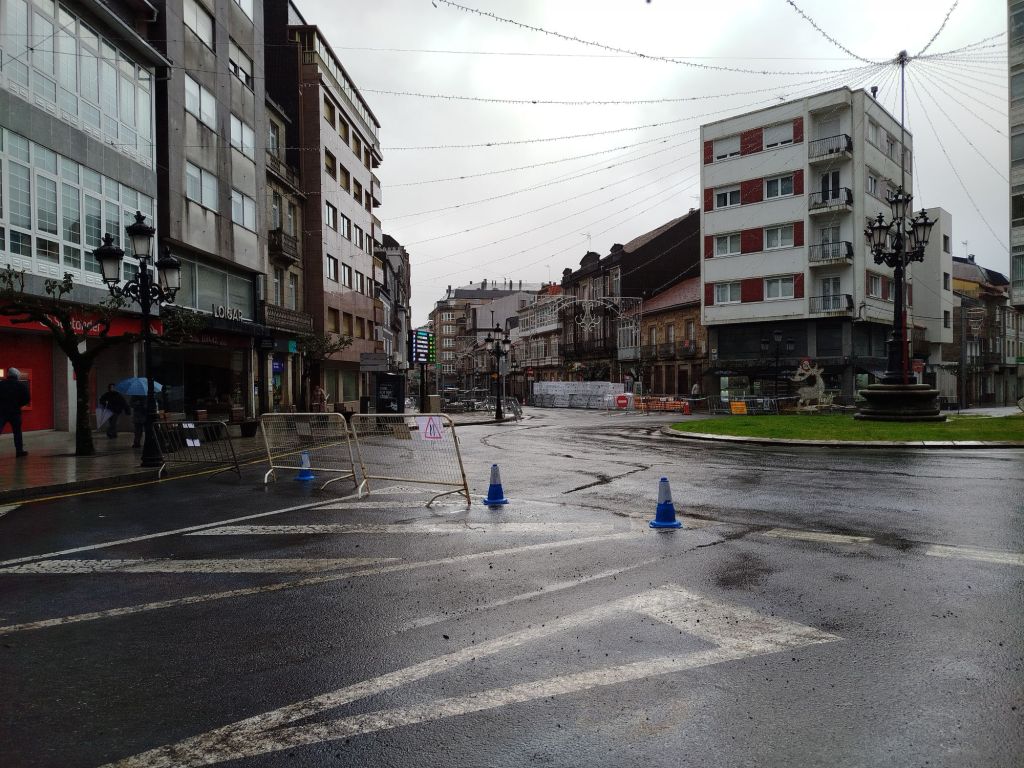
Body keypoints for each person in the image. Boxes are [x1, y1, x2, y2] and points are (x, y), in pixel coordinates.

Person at [0, 367, 31, 458]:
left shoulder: (1, 384)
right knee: (17, 432)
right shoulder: (21, 385)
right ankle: (19, 451)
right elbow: (27, 398)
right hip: (15, 412)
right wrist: (19, 404)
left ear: (8, 375)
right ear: (17, 375)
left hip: (1, 412)